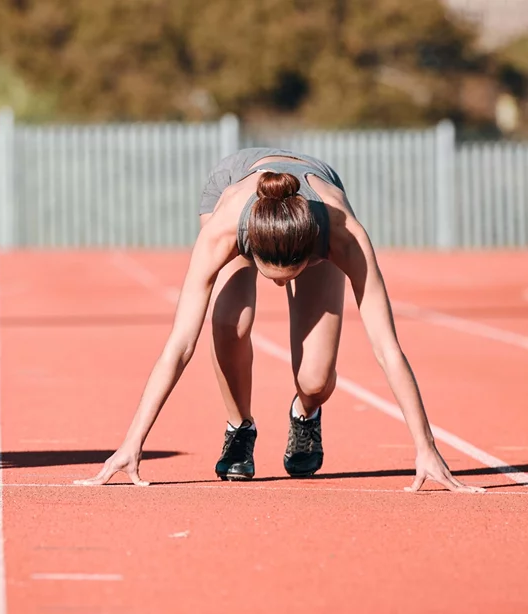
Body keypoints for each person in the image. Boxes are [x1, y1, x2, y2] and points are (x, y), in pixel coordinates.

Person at [76, 147, 484, 493]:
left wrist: (425, 445)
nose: (277, 288)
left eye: (288, 278)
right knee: (229, 323)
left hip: (315, 200)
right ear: (250, 250)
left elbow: (387, 348)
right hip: (235, 187)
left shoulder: (342, 234)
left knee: (315, 380)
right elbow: (180, 345)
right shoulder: (224, 231)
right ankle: (240, 429)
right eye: (271, 277)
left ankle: (305, 415)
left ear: (312, 256)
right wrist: (133, 443)